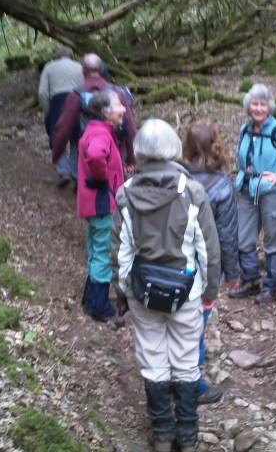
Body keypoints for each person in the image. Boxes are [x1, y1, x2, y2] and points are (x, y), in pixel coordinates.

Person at [110, 119, 221, 452]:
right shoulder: (192, 191)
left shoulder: (125, 193)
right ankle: (187, 439)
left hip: (143, 292)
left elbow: (119, 252)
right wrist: (209, 292)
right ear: (174, 148)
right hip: (186, 291)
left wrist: (123, 293)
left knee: (153, 358)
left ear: (139, 150)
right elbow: (209, 250)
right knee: (187, 361)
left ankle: (161, 436)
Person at [228, 84, 276, 303]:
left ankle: (272, 286)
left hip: (272, 192)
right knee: (244, 237)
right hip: (247, 190)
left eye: (263, 104)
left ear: (270, 107)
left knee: (273, 239)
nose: (259, 108)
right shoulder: (245, 130)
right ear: (248, 106)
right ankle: (251, 280)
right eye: (255, 104)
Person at [181, 119, 240, 405]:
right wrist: (233, 273)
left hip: (171, 262)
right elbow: (227, 234)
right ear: (216, 145)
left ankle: (169, 378)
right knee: (196, 328)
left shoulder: (174, 176)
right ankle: (193, 386)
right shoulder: (221, 185)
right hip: (205, 269)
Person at [77, 88, 127, 327]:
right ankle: (99, 306)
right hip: (103, 202)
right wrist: (103, 177)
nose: (124, 110)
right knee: (105, 252)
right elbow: (96, 155)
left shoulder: (97, 130)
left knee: (96, 249)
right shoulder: (101, 135)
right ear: (107, 113)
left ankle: (89, 299)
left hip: (96, 202)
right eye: (119, 105)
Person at [52, 53, 137, 188]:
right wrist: (131, 158)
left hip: (87, 155)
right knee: (116, 191)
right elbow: (130, 128)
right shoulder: (117, 92)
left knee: (89, 191)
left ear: (83, 71)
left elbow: (63, 128)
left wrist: (56, 155)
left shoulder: (76, 95)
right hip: (116, 153)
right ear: (102, 68)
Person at [38, 46, 84, 185]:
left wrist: (48, 110)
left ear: (56, 56)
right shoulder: (80, 66)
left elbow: (42, 93)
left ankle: (63, 169)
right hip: (77, 102)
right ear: (72, 56)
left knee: (56, 136)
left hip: (57, 103)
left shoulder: (49, 67)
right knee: (77, 138)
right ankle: (76, 172)